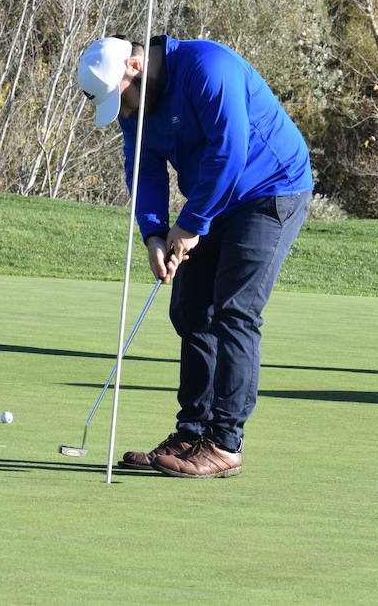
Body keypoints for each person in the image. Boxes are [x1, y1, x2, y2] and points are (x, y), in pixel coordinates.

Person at [77, 35, 314, 478]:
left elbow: (231, 150)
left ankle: (225, 443)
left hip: (269, 188)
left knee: (235, 311)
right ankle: (191, 433)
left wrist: (191, 224)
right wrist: (153, 232)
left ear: (135, 65)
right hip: (213, 197)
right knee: (189, 309)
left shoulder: (208, 67)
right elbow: (143, 167)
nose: (122, 112)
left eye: (121, 100)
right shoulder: (136, 101)